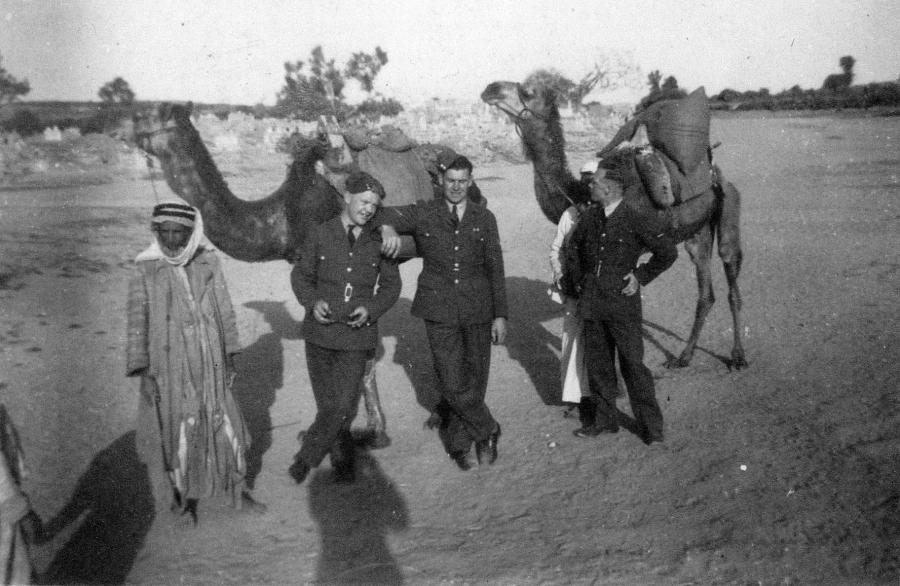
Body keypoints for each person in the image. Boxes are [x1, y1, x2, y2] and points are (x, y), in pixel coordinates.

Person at [126, 200, 264, 524]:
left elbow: (225, 309)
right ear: (155, 232)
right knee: (176, 435)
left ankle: (236, 492)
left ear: (192, 233)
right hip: (169, 371)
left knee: (226, 424)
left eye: (180, 232)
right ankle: (181, 505)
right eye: (165, 232)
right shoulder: (144, 269)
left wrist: (230, 356)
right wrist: (144, 372)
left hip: (211, 364)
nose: (172, 240)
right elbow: (136, 325)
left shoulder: (208, 262)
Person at [377, 155, 507, 471]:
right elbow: (377, 213)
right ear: (441, 181)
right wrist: (386, 227)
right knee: (450, 378)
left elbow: (495, 267)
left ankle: (461, 441)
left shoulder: (484, 218)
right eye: (451, 181)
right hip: (439, 308)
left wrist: (500, 315)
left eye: (463, 181)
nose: (456, 187)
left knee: (475, 377)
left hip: (478, 307)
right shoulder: (424, 213)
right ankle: (487, 429)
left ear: (471, 182)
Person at [288, 171, 401, 485]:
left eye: (374, 205)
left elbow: (392, 287)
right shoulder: (319, 234)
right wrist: (311, 302)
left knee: (343, 406)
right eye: (364, 201)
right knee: (328, 405)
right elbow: (300, 276)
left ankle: (306, 457)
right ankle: (341, 459)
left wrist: (372, 309)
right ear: (347, 197)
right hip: (319, 335)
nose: (368, 209)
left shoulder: (381, 240)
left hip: (356, 336)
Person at [565, 165, 677, 444]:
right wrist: (579, 281)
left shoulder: (635, 217)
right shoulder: (590, 217)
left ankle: (651, 428)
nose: (589, 185)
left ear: (610, 188)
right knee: (599, 365)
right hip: (593, 303)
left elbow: (667, 252)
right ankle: (605, 420)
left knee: (633, 365)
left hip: (622, 305)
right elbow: (573, 249)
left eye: (594, 182)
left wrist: (640, 276)